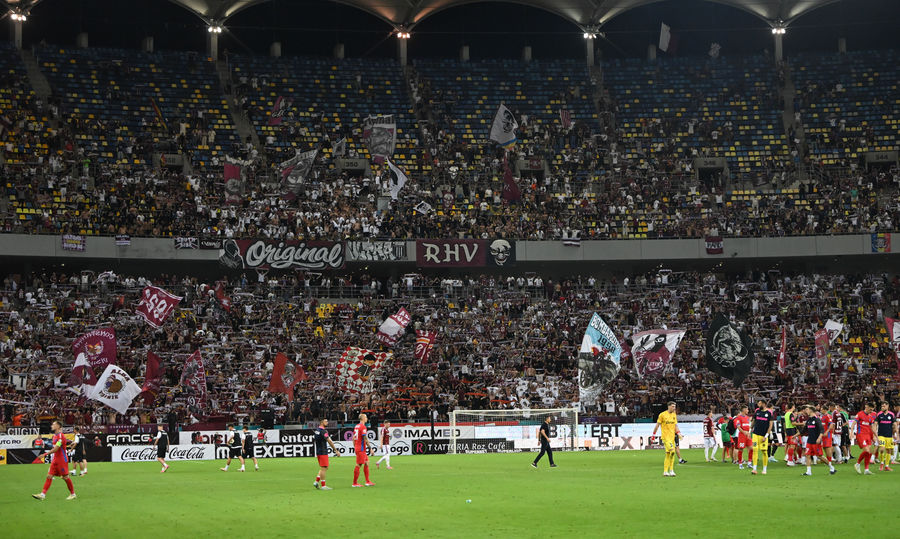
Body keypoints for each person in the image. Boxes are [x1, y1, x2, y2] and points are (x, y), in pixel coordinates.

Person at [32, 420, 76, 500]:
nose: (51, 425)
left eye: (53, 424)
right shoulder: (55, 436)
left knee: (65, 477)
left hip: (62, 460)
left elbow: (56, 449)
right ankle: (42, 495)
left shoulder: (60, 436)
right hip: (55, 459)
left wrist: (44, 454)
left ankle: (73, 494)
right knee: (49, 476)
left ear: (58, 426)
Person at [652, 401, 682, 477]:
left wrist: (679, 433)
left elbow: (675, 425)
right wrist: (653, 435)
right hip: (665, 437)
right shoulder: (662, 415)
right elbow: (657, 425)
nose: (674, 408)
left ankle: (667, 471)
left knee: (668, 454)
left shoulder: (674, 415)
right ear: (668, 406)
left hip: (672, 437)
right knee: (672, 451)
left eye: (675, 406)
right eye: (673, 406)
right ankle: (670, 470)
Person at [801, 405, 831, 476]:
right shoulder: (809, 420)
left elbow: (822, 430)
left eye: (807, 409)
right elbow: (803, 430)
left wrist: (819, 438)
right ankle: (808, 472)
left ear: (811, 410)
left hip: (816, 441)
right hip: (809, 441)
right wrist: (795, 435)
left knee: (819, 456)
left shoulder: (817, 419)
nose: (806, 411)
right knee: (807, 455)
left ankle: (831, 467)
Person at [313, 418, 339, 490]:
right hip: (323, 451)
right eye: (326, 421)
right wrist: (336, 450)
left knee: (324, 467)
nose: (327, 422)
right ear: (321, 422)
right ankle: (323, 485)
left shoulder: (317, 430)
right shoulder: (323, 431)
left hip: (318, 451)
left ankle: (316, 481)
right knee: (324, 468)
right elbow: (329, 441)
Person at [851, 403, 876, 475]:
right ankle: (857, 463)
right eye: (870, 409)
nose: (871, 411)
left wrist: (875, 437)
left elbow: (872, 428)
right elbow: (853, 423)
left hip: (868, 435)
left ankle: (866, 469)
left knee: (869, 452)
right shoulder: (860, 414)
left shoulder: (870, 417)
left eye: (872, 410)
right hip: (861, 435)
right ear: (866, 407)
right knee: (867, 451)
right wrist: (851, 432)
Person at [750, 399, 773, 475]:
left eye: (759, 403)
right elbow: (753, 421)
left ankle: (764, 469)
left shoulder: (769, 413)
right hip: (755, 434)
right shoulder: (757, 411)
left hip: (763, 436)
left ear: (764, 404)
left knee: (764, 451)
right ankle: (754, 469)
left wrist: (766, 436)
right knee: (755, 449)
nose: (758, 405)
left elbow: (770, 425)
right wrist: (750, 430)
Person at [352, 413, 374, 487]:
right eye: (366, 417)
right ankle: (354, 483)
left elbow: (353, 438)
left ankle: (367, 481)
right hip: (361, 449)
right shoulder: (363, 427)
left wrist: (355, 446)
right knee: (359, 464)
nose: (367, 418)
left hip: (359, 447)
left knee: (367, 462)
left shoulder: (356, 426)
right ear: (363, 418)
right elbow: (365, 438)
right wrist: (370, 448)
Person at [874, 402, 895, 472]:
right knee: (882, 449)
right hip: (881, 435)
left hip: (889, 436)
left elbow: (894, 425)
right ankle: (882, 463)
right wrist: (875, 434)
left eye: (884, 406)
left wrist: (896, 435)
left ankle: (887, 466)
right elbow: (875, 424)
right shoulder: (879, 414)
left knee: (889, 450)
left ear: (887, 406)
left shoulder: (891, 414)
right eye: (882, 406)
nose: (882, 407)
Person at [819, 405, 837, 474]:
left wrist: (827, 432)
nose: (820, 410)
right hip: (823, 435)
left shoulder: (828, 416)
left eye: (821, 409)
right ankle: (830, 464)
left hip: (827, 435)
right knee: (825, 448)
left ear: (825, 410)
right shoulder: (822, 416)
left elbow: (831, 425)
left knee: (827, 448)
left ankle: (830, 463)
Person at [733, 405, 752, 469]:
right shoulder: (738, 417)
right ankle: (740, 464)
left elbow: (748, 426)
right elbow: (738, 427)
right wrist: (744, 432)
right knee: (741, 449)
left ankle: (749, 463)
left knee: (751, 448)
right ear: (743, 410)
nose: (748, 411)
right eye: (747, 409)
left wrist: (749, 433)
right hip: (742, 435)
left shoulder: (747, 417)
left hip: (747, 435)